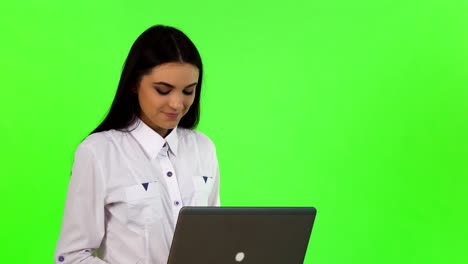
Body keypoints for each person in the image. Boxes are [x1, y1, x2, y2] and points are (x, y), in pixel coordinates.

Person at [55, 25, 220, 264]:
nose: (177, 104)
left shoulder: (203, 148)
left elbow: (216, 239)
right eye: (163, 90)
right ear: (134, 83)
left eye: (188, 91)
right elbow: (71, 257)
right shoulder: (98, 153)